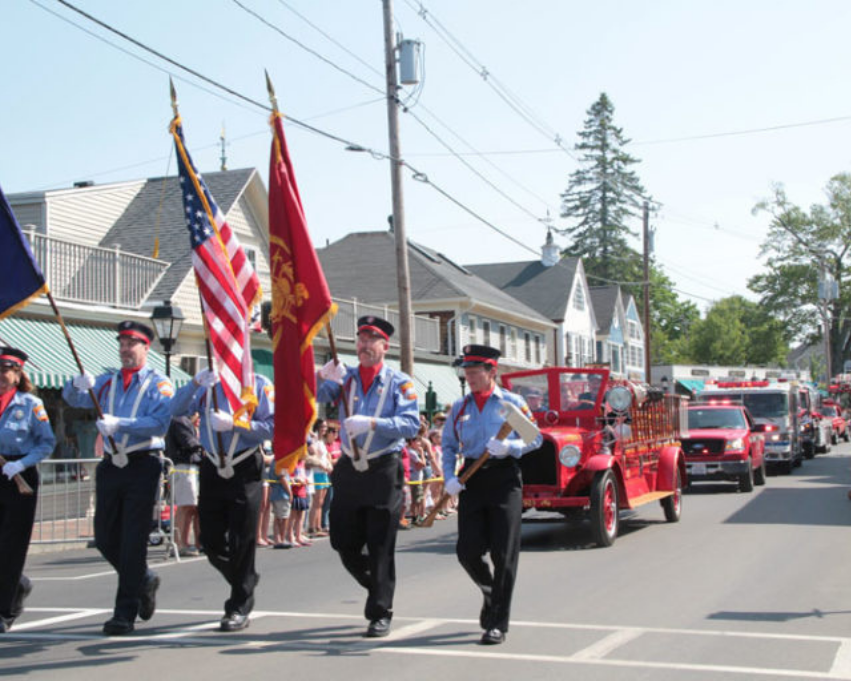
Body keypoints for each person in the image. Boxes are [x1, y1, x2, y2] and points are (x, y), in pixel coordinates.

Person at [62, 321, 173, 636]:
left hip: (143, 464)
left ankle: (124, 613)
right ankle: (143, 578)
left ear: (145, 347)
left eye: (131, 344)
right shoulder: (108, 382)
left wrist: (121, 424)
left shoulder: (158, 383)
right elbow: (74, 399)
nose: (125, 350)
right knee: (105, 536)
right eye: (122, 344)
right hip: (112, 464)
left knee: (133, 539)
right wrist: (76, 383)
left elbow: (159, 423)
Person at [316, 315, 420, 638]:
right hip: (349, 466)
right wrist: (322, 375)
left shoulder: (399, 382)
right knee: (342, 541)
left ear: (384, 346)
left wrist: (373, 424)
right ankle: (376, 585)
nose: (363, 345)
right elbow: (317, 396)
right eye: (360, 339)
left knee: (380, 543)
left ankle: (380, 610)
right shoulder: (345, 379)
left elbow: (411, 424)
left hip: (382, 467)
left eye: (371, 340)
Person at [441, 344, 541, 646]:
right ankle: (489, 589)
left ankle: (498, 622)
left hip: (504, 478)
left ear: (491, 372)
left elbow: (534, 438)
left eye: (474, 372)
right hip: (471, 477)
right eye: (466, 372)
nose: (469, 377)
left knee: (503, 554)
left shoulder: (510, 403)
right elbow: (447, 445)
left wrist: (512, 447)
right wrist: (449, 478)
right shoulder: (460, 408)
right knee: (467, 551)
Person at [171, 365, 274, 632]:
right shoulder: (208, 385)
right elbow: (175, 409)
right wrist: (195, 382)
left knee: (242, 538)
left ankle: (238, 606)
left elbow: (273, 427)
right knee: (210, 540)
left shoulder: (259, 385)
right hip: (212, 465)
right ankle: (245, 579)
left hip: (244, 465)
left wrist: (237, 423)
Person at [0, 347, 56, 633]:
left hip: (20, 476)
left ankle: (5, 610)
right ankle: (17, 584)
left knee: (12, 544)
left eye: (5, 370)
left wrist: (20, 464)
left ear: (17, 373)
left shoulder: (30, 404)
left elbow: (46, 443)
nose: (0, 376)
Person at [165, 413, 203, 557]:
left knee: (192, 507)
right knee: (185, 506)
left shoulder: (185, 422)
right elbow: (190, 443)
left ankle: (187, 542)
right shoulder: (180, 420)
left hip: (190, 467)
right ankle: (180, 543)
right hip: (183, 467)